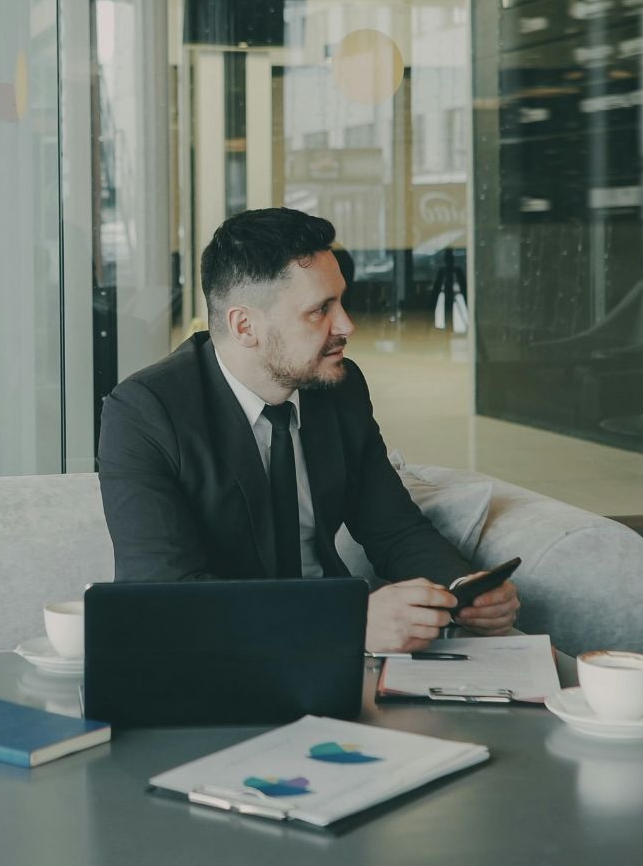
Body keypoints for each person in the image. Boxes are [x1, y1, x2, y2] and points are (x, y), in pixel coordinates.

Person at [98, 207, 521, 652]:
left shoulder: (339, 389)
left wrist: (463, 588)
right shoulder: (146, 412)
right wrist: (345, 622)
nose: (347, 325)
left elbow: (394, 529)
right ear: (245, 326)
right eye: (320, 310)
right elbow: (164, 595)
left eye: (341, 301)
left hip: (345, 653)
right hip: (224, 655)